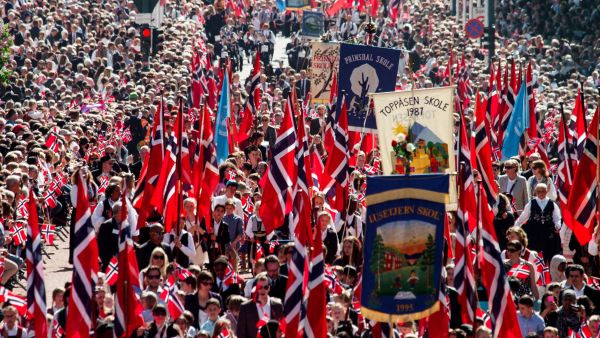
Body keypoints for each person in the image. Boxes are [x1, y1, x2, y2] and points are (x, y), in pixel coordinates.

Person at [514, 183, 562, 260]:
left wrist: (557, 226)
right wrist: (516, 227)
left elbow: (557, 218)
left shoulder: (552, 204)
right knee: (534, 255)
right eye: (538, 191)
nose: (541, 193)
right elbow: (523, 217)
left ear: (546, 191)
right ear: (535, 192)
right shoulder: (531, 203)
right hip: (534, 234)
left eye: (543, 191)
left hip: (548, 235)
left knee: (548, 255)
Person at [236, 273, 283, 338]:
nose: (263, 290)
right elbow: (240, 333)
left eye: (265, 287)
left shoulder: (277, 305)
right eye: (260, 287)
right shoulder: (245, 307)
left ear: (269, 288)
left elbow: (282, 328)